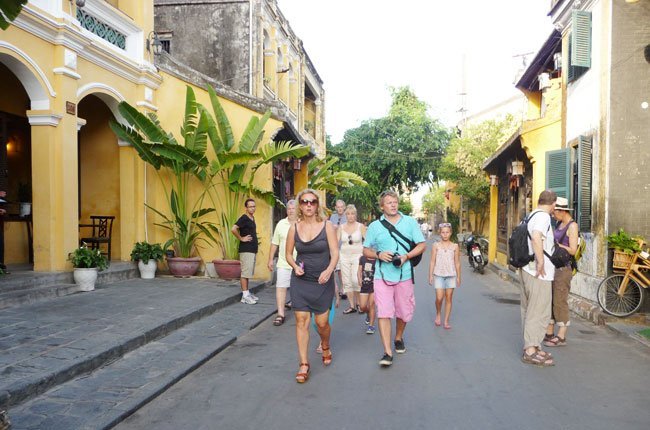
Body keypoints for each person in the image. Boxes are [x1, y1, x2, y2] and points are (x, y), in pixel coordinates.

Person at [363, 190, 426, 367]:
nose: (392, 204)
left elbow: (422, 245)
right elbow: (365, 249)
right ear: (382, 206)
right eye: (388, 202)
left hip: (404, 275)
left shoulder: (410, 222)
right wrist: (379, 254)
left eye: (395, 201)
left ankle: (398, 337)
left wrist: (406, 257)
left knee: (404, 311)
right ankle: (387, 352)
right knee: (383, 312)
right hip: (381, 275)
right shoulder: (375, 226)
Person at [286, 189, 339, 383]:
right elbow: (289, 254)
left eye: (313, 202)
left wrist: (329, 270)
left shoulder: (328, 226)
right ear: (300, 205)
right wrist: (294, 266)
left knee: (321, 323)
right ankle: (304, 364)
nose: (309, 205)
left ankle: (325, 344)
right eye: (305, 202)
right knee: (301, 320)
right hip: (301, 280)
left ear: (317, 205)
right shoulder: (294, 228)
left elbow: (335, 253)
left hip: (322, 281)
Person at [519, 189, 557, 367]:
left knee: (529, 309)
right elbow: (536, 237)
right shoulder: (543, 217)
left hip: (527, 268)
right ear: (553, 204)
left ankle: (533, 344)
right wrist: (541, 261)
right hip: (538, 271)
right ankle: (530, 350)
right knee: (539, 310)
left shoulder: (530, 215)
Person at [544, 197, 578, 347]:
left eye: (555, 212)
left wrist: (558, 245)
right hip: (554, 267)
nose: (553, 215)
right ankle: (549, 332)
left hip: (564, 268)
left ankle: (561, 336)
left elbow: (573, 250)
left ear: (562, 211)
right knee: (551, 299)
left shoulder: (572, 226)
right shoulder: (559, 223)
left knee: (560, 300)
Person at [268, 199, 297, 326]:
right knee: (281, 287)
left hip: (300, 263)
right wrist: (270, 259)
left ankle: (301, 311)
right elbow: (275, 243)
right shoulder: (280, 224)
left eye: (293, 208)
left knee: (299, 289)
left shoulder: (302, 223)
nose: (291, 211)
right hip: (283, 263)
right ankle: (280, 314)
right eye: (289, 209)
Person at [428, 222, 461, 329]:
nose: (445, 234)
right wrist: (430, 275)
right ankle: (438, 313)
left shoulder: (455, 246)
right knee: (439, 298)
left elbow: (457, 262)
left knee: (449, 298)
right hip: (438, 274)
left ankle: (446, 321)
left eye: (447, 232)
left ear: (450, 233)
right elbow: (432, 261)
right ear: (440, 233)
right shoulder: (436, 246)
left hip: (451, 275)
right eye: (443, 232)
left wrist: (459, 276)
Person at [338, 204, 366, 314]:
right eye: (348, 214)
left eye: (352, 214)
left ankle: (359, 303)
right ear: (346, 215)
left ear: (355, 215)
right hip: (344, 256)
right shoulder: (341, 227)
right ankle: (352, 305)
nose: (350, 216)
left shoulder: (360, 227)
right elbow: (335, 242)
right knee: (346, 281)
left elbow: (367, 241)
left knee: (355, 280)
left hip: (357, 256)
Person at [231, 198, 259, 305]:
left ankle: (247, 293)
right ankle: (245, 296)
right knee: (245, 273)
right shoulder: (244, 218)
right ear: (246, 208)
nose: (253, 208)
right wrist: (241, 238)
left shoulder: (252, 218)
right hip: (246, 249)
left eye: (254, 206)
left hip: (251, 249)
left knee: (247, 273)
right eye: (250, 206)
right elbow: (233, 229)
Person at [357, 254, 377, 334]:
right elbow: (359, 270)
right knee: (362, 307)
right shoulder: (362, 258)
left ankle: (371, 326)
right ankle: (368, 313)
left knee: (371, 305)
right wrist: (359, 279)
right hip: (364, 285)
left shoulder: (377, 259)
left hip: (374, 286)